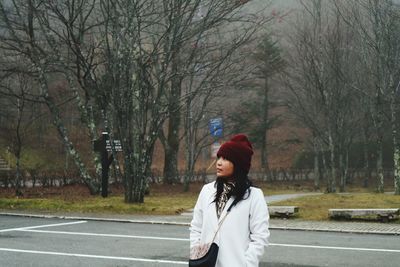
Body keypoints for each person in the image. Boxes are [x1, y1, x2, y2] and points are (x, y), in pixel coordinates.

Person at [190, 134, 270, 267]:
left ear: (238, 164)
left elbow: (260, 237)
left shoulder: (254, 196)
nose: (219, 162)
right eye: (219, 157)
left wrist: (247, 263)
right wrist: (196, 252)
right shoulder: (207, 191)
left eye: (226, 159)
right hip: (206, 263)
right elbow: (196, 227)